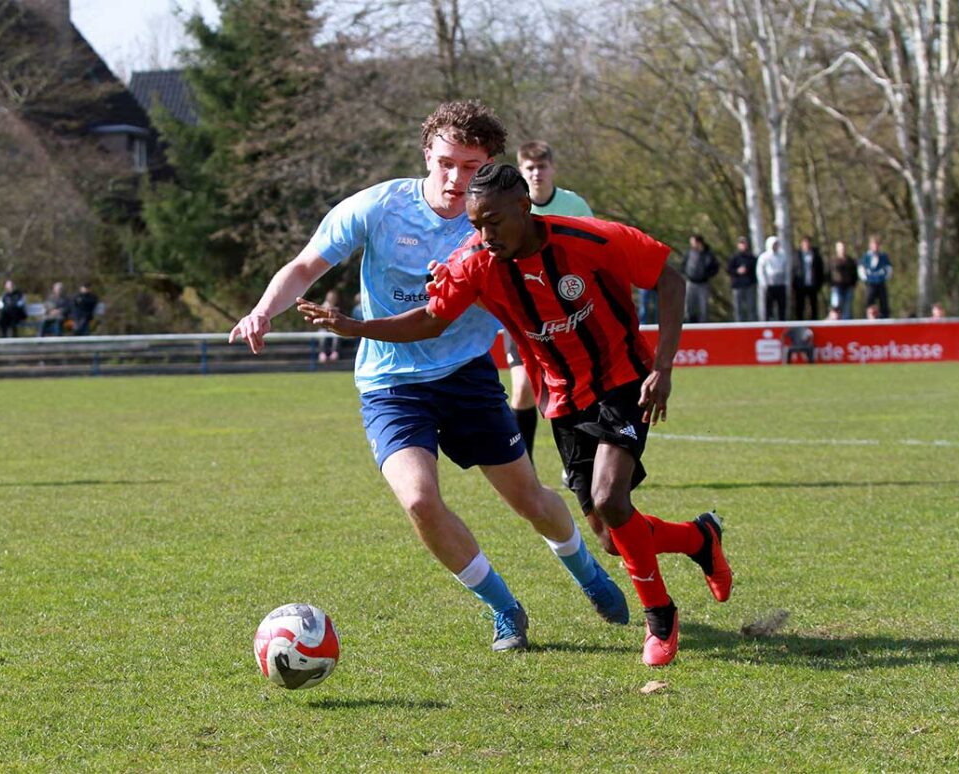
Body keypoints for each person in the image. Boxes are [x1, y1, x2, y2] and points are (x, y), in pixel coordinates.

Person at [229, 101, 628, 653]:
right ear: (426, 156)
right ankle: (504, 608)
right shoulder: (378, 207)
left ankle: (587, 572)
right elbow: (304, 266)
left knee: (530, 501)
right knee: (419, 501)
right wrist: (263, 310)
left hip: (467, 376)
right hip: (390, 383)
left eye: (470, 167)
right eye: (445, 163)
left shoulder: (504, 224)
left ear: (490, 167)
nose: (455, 179)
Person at [298, 163, 734, 667]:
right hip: (564, 399)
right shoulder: (475, 263)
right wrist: (356, 327)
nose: (485, 235)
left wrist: (663, 368)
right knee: (611, 537)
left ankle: (660, 618)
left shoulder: (591, 239)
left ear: (525, 207)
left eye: (494, 222)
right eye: (475, 224)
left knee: (609, 498)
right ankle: (699, 538)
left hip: (623, 380)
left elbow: (670, 280)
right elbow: (431, 320)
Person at [511, 140, 594, 462]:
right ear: (521, 171)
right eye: (530, 168)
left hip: (568, 314)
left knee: (577, 389)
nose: (536, 173)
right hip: (522, 314)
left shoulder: (574, 205)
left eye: (541, 167)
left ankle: (578, 461)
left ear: (552, 168)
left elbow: (593, 250)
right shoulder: (511, 207)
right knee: (522, 389)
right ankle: (525, 468)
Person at [681, 235, 719, 323]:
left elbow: (715, 268)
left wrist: (707, 275)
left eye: (693, 242)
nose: (691, 244)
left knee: (704, 307)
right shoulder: (689, 253)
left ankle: (703, 325)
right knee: (689, 306)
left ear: (699, 243)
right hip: (691, 283)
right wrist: (687, 274)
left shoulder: (709, 254)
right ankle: (690, 324)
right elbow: (683, 265)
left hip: (703, 284)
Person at [859, 236, 892, 318]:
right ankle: (868, 319)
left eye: (877, 244)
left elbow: (889, 269)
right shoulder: (866, 256)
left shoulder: (883, 256)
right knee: (869, 302)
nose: (876, 247)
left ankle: (885, 319)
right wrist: (866, 278)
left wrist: (885, 277)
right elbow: (861, 268)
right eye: (874, 244)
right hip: (870, 283)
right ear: (870, 245)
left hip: (881, 282)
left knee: (884, 302)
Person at [726, 236, 758, 322]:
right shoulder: (734, 257)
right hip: (738, 285)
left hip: (749, 285)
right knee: (738, 307)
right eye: (741, 243)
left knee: (751, 307)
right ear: (738, 245)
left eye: (744, 243)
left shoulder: (752, 257)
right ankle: (738, 324)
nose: (743, 245)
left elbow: (756, 270)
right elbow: (729, 269)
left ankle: (752, 324)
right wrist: (737, 271)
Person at [793, 236, 825, 320]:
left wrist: (819, 283)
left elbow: (820, 270)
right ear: (801, 244)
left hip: (812, 284)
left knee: (813, 305)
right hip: (800, 285)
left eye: (808, 243)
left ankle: (814, 322)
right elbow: (793, 270)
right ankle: (799, 322)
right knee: (800, 305)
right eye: (804, 243)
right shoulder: (797, 255)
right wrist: (794, 284)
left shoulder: (815, 255)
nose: (806, 245)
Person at [756, 236, 787, 321]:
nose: (775, 246)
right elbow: (760, 271)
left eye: (776, 244)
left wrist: (786, 281)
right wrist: (763, 283)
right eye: (774, 244)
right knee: (768, 306)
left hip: (780, 284)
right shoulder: (764, 257)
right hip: (769, 285)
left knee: (781, 306)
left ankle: (782, 322)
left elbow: (785, 269)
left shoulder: (782, 256)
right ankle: (768, 322)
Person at [828, 241, 858, 320]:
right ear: (837, 249)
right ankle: (834, 322)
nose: (842, 249)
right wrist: (832, 285)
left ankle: (846, 323)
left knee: (847, 307)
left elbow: (855, 274)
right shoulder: (833, 260)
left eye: (843, 248)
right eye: (840, 248)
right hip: (836, 287)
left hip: (848, 287)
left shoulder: (850, 261)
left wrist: (853, 284)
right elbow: (829, 274)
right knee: (836, 306)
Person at [317, 289, 341, 363]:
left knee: (337, 335)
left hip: (334, 329)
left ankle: (335, 352)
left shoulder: (338, 308)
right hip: (324, 328)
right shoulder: (322, 307)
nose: (332, 298)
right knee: (322, 334)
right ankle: (322, 353)